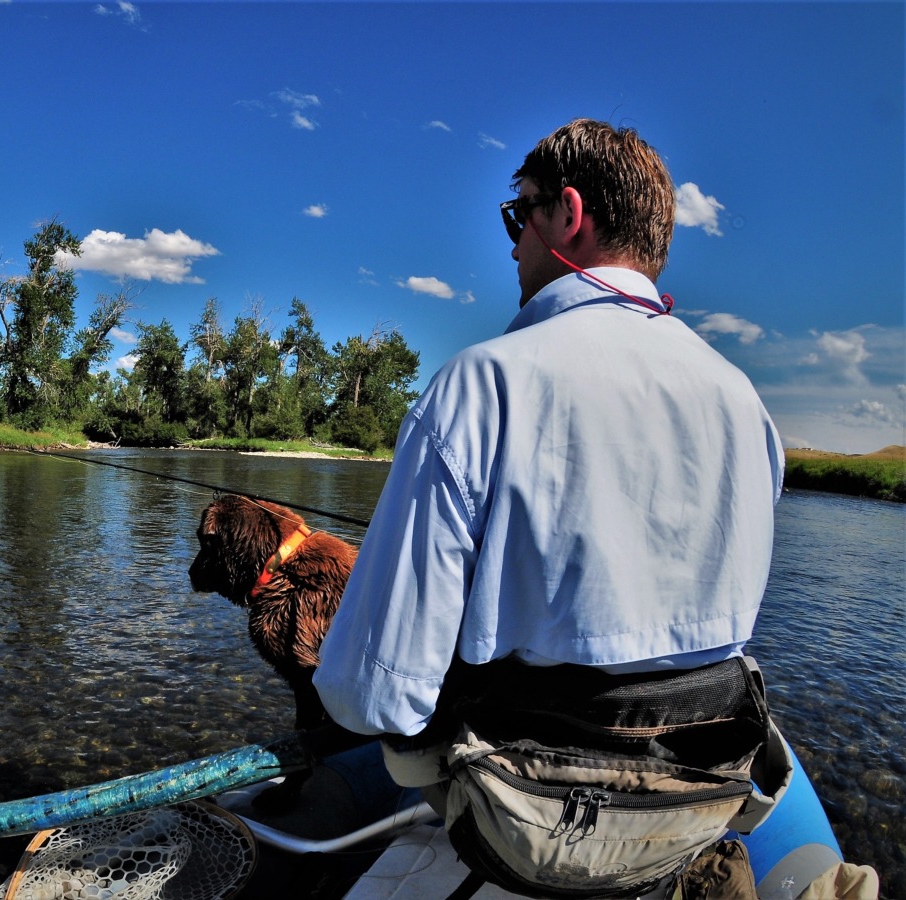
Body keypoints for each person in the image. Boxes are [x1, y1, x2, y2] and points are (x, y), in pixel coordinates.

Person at [310, 118, 799, 895]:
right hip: (685, 818)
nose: (512, 244)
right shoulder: (748, 406)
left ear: (568, 214)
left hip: (523, 829)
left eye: (518, 216)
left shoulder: (480, 386)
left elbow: (373, 697)